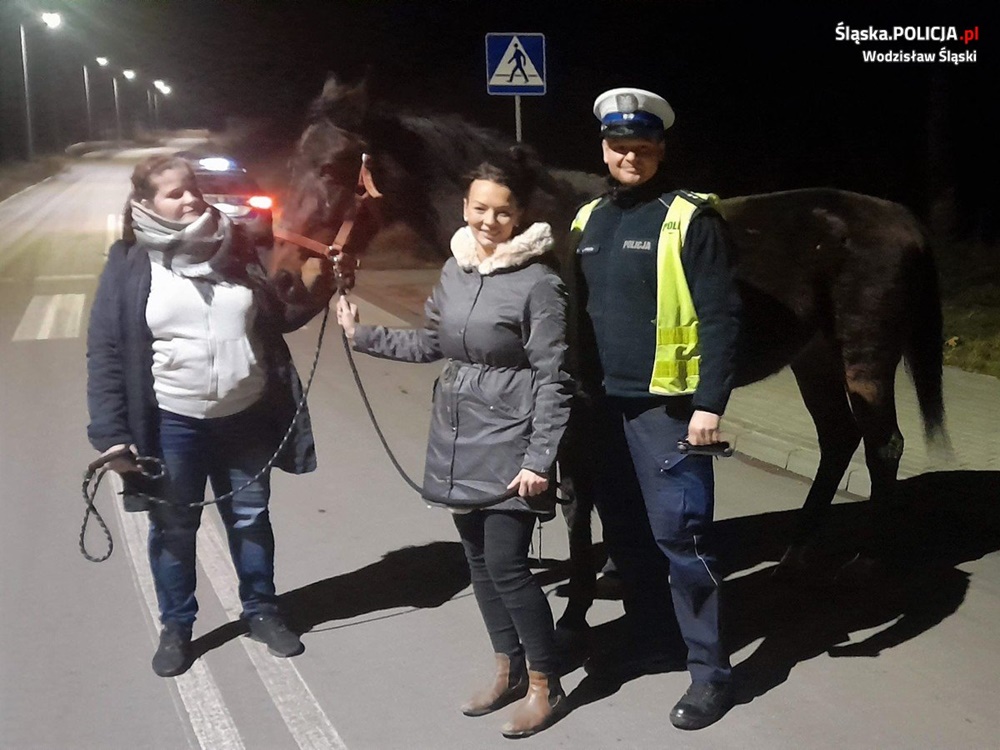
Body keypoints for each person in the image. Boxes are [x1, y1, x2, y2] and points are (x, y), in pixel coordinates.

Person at [336, 156, 573, 739]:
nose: (490, 220)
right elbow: (430, 344)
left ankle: (547, 682)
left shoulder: (539, 283)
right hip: (458, 434)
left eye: (503, 210)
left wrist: (539, 459)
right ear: (466, 208)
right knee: (478, 566)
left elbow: (555, 377)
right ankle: (507, 668)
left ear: (520, 215)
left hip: (513, 439)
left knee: (509, 566)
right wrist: (361, 334)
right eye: (479, 208)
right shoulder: (456, 269)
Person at [86, 155, 335, 677]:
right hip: (172, 423)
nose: (191, 198)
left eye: (192, 189)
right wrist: (111, 434)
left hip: (245, 415)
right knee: (175, 528)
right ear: (144, 204)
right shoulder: (130, 263)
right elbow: (106, 351)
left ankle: (262, 611)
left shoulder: (236, 247)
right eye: (175, 193)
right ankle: (177, 627)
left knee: (249, 520)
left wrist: (325, 285)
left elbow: (277, 315)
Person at [567, 87, 742, 730]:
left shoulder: (691, 218)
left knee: (683, 540)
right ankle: (654, 640)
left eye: (642, 146)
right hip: (602, 410)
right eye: (619, 146)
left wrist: (709, 404)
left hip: (667, 413)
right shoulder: (588, 220)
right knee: (630, 538)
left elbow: (723, 318)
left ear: (660, 149)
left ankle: (712, 674)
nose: (629, 156)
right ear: (604, 149)